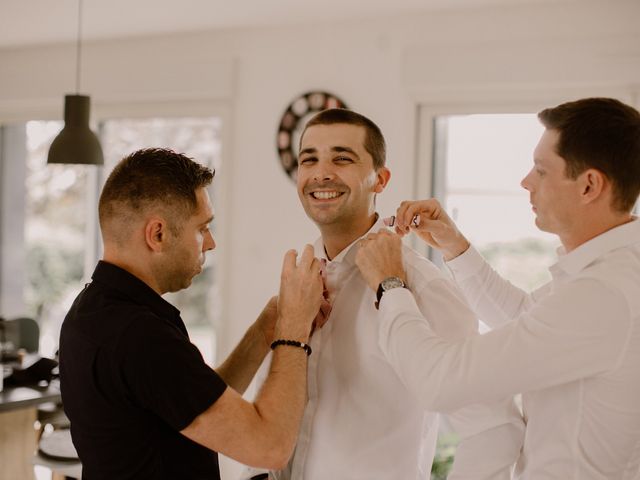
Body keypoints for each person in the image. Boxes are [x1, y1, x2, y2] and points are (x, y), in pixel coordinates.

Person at [355, 97, 640, 478]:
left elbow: (441, 383)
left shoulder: (603, 293)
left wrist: (389, 286)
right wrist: (456, 248)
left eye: (541, 170)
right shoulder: (608, 273)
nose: (525, 181)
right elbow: (524, 319)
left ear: (589, 185)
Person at [246, 109, 525, 480]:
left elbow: (494, 429)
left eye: (342, 158)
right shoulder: (299, 281)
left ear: (380, 179)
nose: (321, 172)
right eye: (308, 159)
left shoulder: (424, 288)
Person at [59, 148, 325, 480]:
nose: (210, 243)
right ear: (157, 234)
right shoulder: (140, 336)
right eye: (203, 228)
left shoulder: (93, 309)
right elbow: (269, 448)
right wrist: (293, 330)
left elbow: (193, 401)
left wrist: (264, 331)